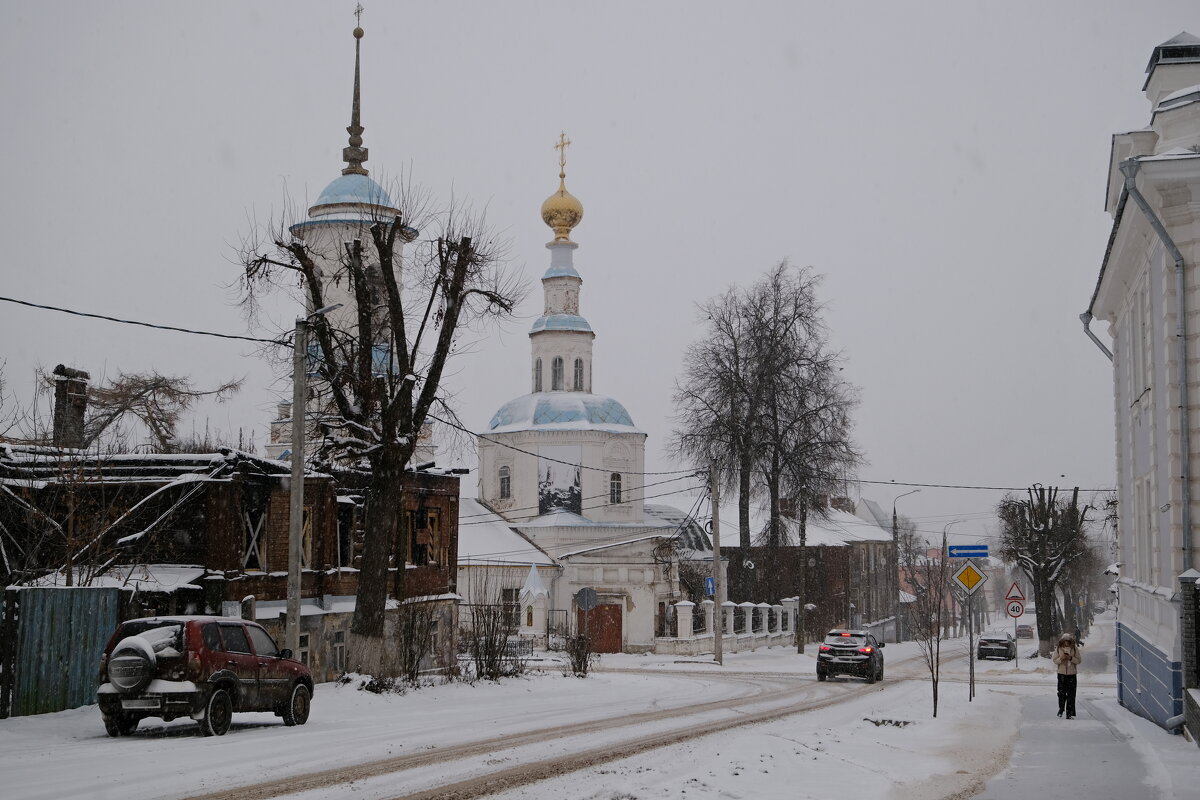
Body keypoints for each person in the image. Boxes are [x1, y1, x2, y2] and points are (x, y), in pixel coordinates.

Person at [1052, 632, 1082, 719]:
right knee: (1061, 693)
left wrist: (1071, 658)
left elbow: (1079, 660)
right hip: (1061, 673)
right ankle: (1061, 709)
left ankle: (1069, 713)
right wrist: (1061, 658)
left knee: (1071, 694)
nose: (1066, 643)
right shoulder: (1058, 649)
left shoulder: (1074, 649)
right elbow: (1054, 660)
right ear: (1062, 642)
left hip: (1072, 674)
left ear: (1071, 641)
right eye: (1065, 641)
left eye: (1068, 641)